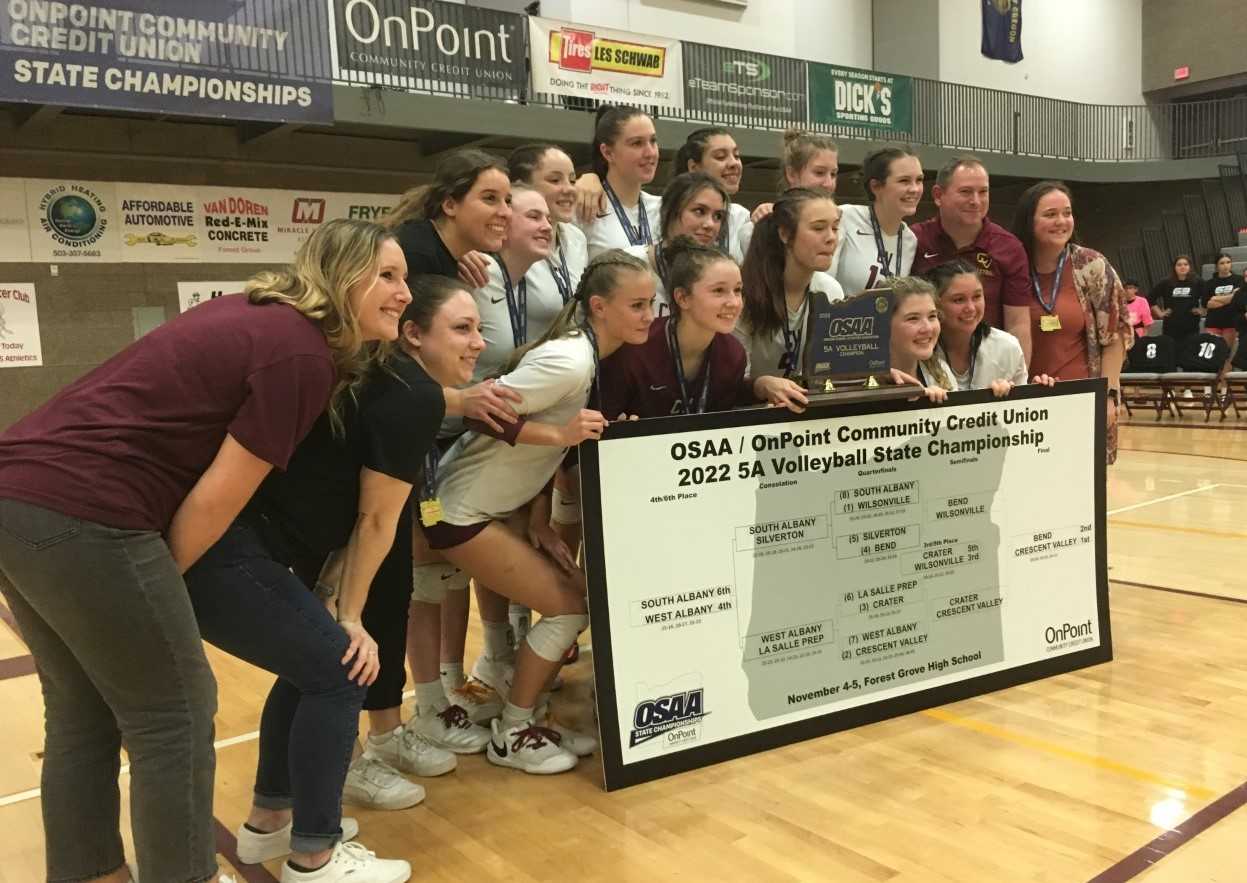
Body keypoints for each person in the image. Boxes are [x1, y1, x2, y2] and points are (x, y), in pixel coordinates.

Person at [0, 219, 406, 883]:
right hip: (90, 510)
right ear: (339, 277)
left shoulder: (255, 317)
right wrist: (154, 592)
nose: (402, 293)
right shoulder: (301, 352)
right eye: (386, 276)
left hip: (17, 493)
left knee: (82, 710)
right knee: (176, 712)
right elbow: (215, 501)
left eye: (405, 279)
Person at [425, 250, 655, 773]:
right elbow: (481, 413)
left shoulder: (587, 356)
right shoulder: (569, 361)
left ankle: (520, 717)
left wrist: (537, 518)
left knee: (573, 601)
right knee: (569, 608)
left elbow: (539, 450)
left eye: (651, 304)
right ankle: (511, 733)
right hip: (460, 510)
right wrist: (560, 434)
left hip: (494, 507)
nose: (648, 315)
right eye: (637, 305)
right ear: (599, 306)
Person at [1011, 181, 1129, 463]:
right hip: (1025, 407)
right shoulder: (1012, 266)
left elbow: (1116, 335)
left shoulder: (1091, 265)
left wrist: (1108, 396)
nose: (1061, 221)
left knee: (1084, 496)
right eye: (1050, 214)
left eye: (1067, 213)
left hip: (1082, 401)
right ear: (1029, 220)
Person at [600, 237, 775, 417]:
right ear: (683, 298)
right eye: (718, 291)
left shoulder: (733, 354)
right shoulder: (634, 349)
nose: (733, 302)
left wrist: (760, 386)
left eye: (737, 290)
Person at [734, 187, 845, 412]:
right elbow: (728, 384)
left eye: (835, 227)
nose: (831, 238)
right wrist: (762, 385)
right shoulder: (743, 294)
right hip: (750, 420)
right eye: (818, 228)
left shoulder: (831, 290)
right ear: (785, 234)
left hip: (809, 416)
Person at [909, 155, 1032, 352]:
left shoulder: (1009, 248)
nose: (976, 201)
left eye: (983, 192)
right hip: (927, 363)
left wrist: (1019, 379)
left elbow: (1017, 323)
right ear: (938, 195)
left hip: (989, 367)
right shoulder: (913, 240)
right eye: (966, 192)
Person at [576, 127, 750, 262]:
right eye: (720, 157)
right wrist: (590, 178)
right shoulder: (661, 208)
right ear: (693, 167)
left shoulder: (742, 217)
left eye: (737, 155)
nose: (734, 163)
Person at [928, 260, 1055, 396]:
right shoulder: (918, 351)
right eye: (959, 300)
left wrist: (1035, 394)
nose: (971, 308)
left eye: (977, 296)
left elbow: (1022, 409)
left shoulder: (1007, 347)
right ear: (935, 304)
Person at [625, 171, 729, 318]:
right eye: (699, 211)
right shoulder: (630, 265)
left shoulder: (718, 276)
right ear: (670, 211)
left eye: (718, 216)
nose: (710, 224)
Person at [832, 146, 923, 295]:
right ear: (875, 186)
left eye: (919, 180)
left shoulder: (909, 240)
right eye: (904, 181)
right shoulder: (845, 217)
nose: (915, 189)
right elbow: (822, 284)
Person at [509, 143, 589, 305]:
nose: (569, 189)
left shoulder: (576, 238)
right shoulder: (507, 238)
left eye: (572, 180)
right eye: (555, 180)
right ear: (519, 186)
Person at [577, 105, 661, 259]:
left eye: (653, 141)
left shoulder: (662, 208)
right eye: (637, 143)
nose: (650, 152)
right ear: (608, 152)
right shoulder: (587, 206)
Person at [739, 129, 840, 256]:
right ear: (791, 174)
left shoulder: (844, 222)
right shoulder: (758, 227)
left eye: (833, 174)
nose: (829, 183)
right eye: (819, 173)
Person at [887, 276, 952, 402]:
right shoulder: (860, 382)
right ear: (883, 325)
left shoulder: (941, 372)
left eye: (932, 316)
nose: (927, 328)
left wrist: (993, 397)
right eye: (913, 318)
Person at [1149, 255, 1202, 344]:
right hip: (1171, 327)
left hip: (1191, 326)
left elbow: (1208, 296)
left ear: (1190, 267)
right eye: (1179, 265)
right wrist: (1160, 314)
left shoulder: (1197, 281)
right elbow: (1150, 298)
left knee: (1190, 353)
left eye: (1185, 264)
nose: (1183, 267)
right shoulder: (1166, 282)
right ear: (1174, 267)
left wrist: (1203, 310)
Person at [1202, 253, 1240, 351]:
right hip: (1213, 322)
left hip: (1231, 322)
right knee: (1214, 355)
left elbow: (1238, 299)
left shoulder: (1239, 280)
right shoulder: (1209, 283)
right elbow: (1206, 303)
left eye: (1228, 262)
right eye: (1222, 263)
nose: (1225, 265)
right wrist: (1230, 297)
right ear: (1217, 266)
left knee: (1226, 353)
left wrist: (1215, 298)